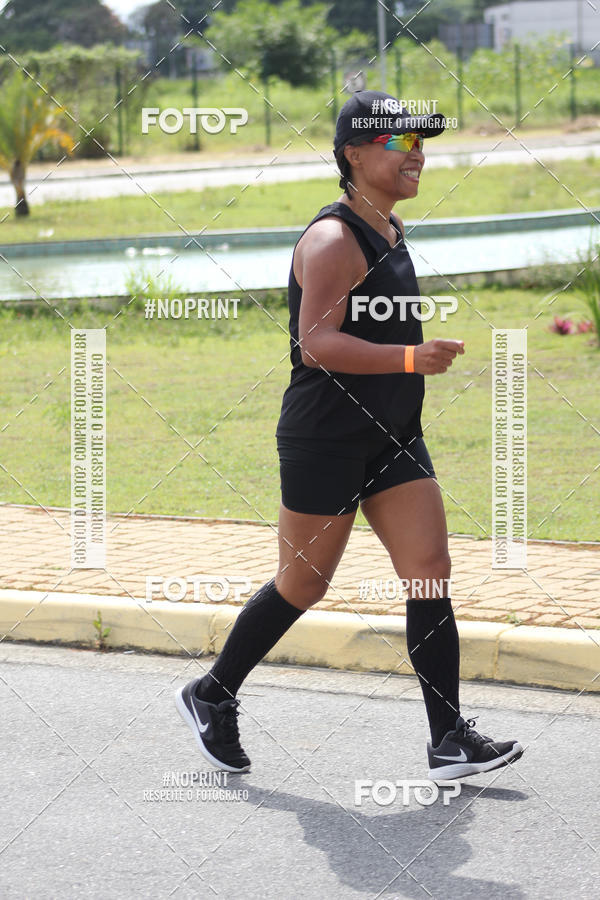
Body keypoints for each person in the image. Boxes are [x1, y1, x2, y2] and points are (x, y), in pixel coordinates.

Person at [176, 90, 524, 780]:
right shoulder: (333, 239)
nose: (416, 155)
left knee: (429, 575)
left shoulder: (391, 229)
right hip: (324, 439)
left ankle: (447, 738)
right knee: (303, 586)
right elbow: (315, 344)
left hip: (392, 435)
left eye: (421, 143)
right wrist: (408, 358)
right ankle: (211, 693)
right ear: (354, 154)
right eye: (400, 144)